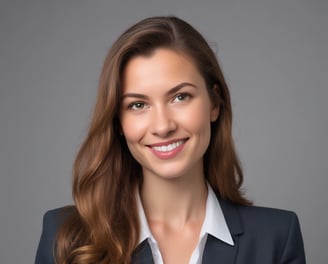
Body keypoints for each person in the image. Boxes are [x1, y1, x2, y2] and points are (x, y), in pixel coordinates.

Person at [35, 16, 306, 264]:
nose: (163, 126)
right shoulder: (65, 238)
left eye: (180, 97)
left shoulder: (276, 238)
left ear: (214, 103)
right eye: (138, 105)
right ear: (118, 121)